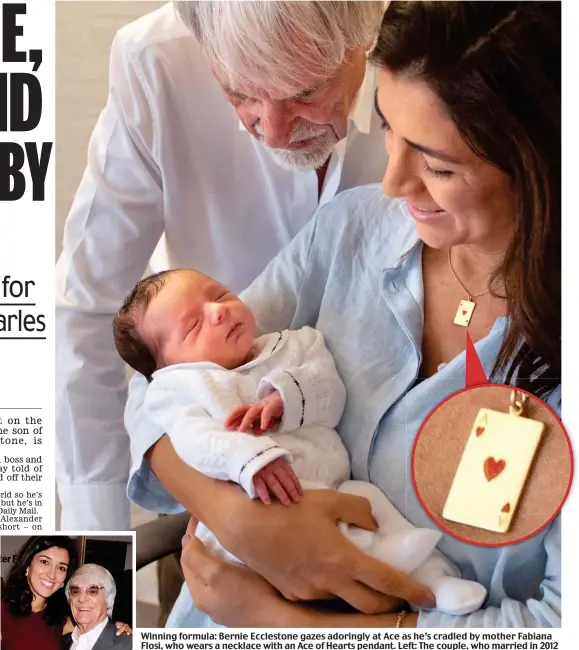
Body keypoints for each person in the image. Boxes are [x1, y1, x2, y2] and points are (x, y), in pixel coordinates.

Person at [127, 0, 561, 628]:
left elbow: (553, 626)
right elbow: (161, 382)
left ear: (540, 165)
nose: (392, 183)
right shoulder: (352, 232)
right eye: (386, 127)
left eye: (437, 165)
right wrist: (238, 521)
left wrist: (288, 622)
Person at [55, 0, 389, 531]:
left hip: (398, 472)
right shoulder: (157, 62)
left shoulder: (447, 45)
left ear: (367, 34)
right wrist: (95, 538)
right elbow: (86, 309)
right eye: (239, 92)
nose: (274, 133)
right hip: (217, 468)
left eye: (304, 92)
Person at [112, 268, 486, 617]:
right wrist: (253, 460)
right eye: (194, 325)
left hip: (338, 487)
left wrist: (285, 399)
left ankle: (435, 582)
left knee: (371, 504)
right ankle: (392, 561)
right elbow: (195, 440)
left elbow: (328, 390)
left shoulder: (295, 344)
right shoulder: (181, 387)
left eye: (222, 295)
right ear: (167, 367)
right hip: (260, 504)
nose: (219, 312)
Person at [0, 537, 131, 649]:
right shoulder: (2, 613)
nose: (52, 575)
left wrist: (121, 629)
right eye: (45, 562)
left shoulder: (63, 622)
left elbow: (99, 627)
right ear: (27, 565)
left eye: (61, 568)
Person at [63, 564, 132, 650]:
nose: (82, 599)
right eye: (76, 591)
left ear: (108, 598)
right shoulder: (60, 642)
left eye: (92, 591)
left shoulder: (130, 645)